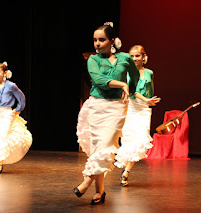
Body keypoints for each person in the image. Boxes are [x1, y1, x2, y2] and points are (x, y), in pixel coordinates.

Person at [74, 22, 139, 205]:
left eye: (101, 40)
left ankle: (87, 180)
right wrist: (122, 84)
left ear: (112, 41)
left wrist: (131, 91)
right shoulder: (93, 60)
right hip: (97, 106)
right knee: (98, 148)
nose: (97, 43)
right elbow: (99, 80)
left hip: (117, 107)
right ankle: (100, 192)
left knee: (104, 145)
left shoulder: (125, 58)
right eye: (95, 40)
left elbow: (134, 76)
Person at [114, 45, 161, 186]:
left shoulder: (149, 73)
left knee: (141, 141)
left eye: (137, 56)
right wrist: (145, 99)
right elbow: (132, 91)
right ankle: (126, 172)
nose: (134, 58)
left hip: (144, 108)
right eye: (132, 56)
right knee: (130, 141)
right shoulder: (127, 73)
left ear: (143, 56)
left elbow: (150, 90)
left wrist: (150, 101)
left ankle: (126, 171)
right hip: (131, 107)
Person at [0, 62, 32, 174]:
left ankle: (0, 164)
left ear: (5, 73)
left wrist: (18, 109)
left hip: (6, 113)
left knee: (2, 137)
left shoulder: (11, 86)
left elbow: (21, 97)